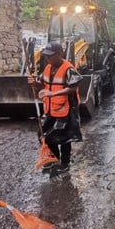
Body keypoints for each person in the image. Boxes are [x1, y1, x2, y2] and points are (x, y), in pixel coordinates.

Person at [27, 40, 83, 173]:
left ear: (60, 54)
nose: (48, 58)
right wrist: (34, 83)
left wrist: (52, 94)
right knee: (45, 135)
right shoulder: (47, 68)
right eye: (46, 55)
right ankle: (54, 159)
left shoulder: (69, 69)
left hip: (66, 109)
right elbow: (42, 85)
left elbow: (72, 88)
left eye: (50, 55)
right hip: (51, 109)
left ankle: (65, 163)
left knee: (64, 138)